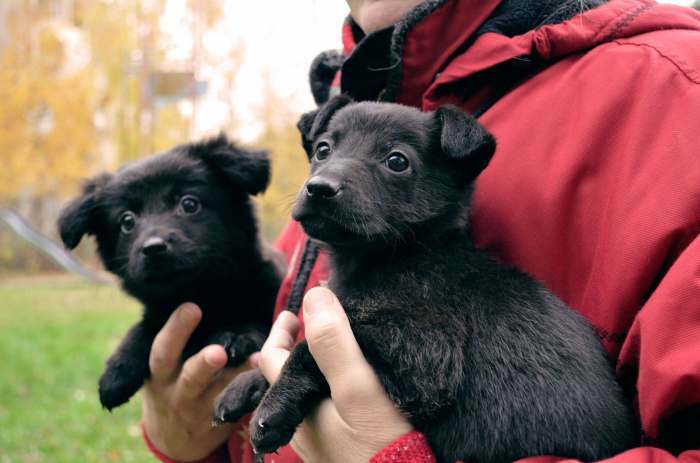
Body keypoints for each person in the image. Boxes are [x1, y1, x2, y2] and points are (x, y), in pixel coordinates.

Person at [141, 0, 700, 461]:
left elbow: (413, 363)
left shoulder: (673, 93)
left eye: (396, 163)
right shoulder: (344, 214)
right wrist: (192, 444)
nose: (328, 177)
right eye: (325, 152)